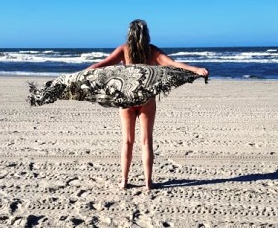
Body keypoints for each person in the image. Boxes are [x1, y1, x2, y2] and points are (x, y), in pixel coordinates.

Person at [88, 19, 208, 190]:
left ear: (130, 32)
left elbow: (101, 65)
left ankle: (123, 181)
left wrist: (79, 75)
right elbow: (172, 64)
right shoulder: (152, 50)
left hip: (127, 98)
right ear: (147, 34)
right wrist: (196, 70)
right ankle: (148, 182)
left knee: (127, 142)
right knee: (146, 141)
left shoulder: (124, 50)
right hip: (146, 99)